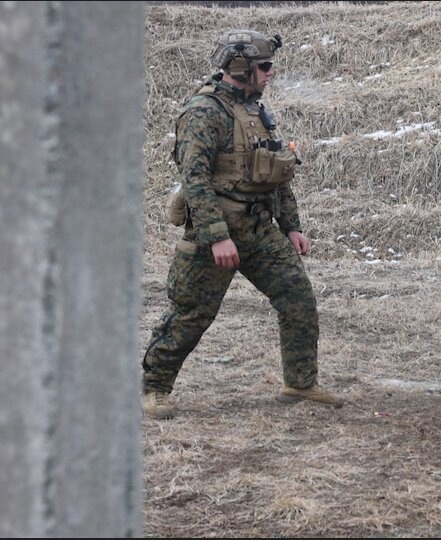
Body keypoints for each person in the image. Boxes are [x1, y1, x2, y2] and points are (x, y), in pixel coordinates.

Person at [141, 29, 344, 420]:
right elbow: (195, 180)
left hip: (259, 230)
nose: (270, 73)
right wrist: (216, 237)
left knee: (297, 298)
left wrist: (291, 226)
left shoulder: (254, 110)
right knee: (191, 314)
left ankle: (300, 383)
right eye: (264, 66)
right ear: (239, 67)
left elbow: (276, 171)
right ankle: (154, 387)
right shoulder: (204, 112)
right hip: (215, 232)